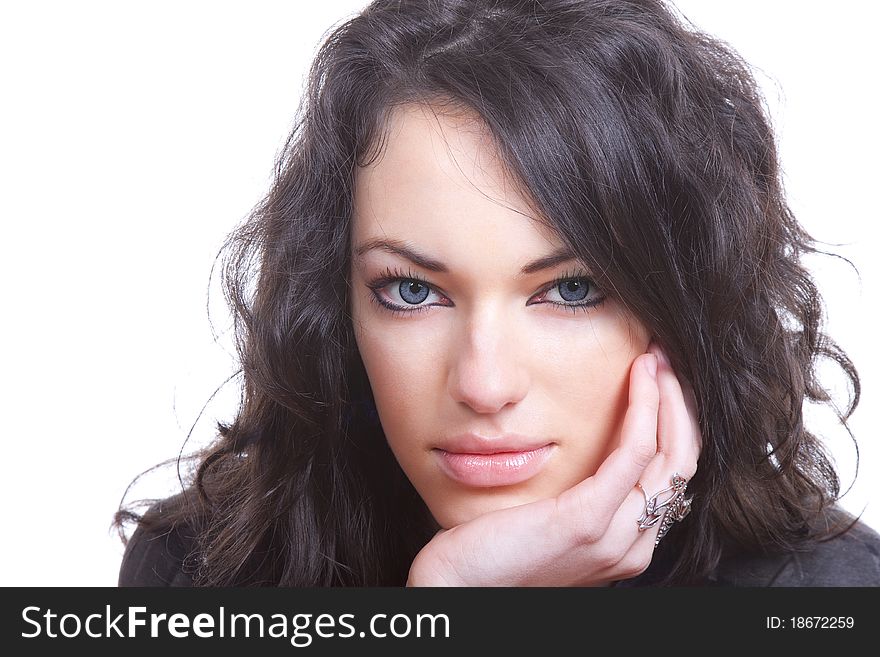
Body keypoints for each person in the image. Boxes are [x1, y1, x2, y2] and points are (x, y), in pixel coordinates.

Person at [114, 0, 880, 587]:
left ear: (682, 301)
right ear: (338, 303)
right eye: (412, 290)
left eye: (572, 289)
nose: (483, 384)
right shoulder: (198, 573)